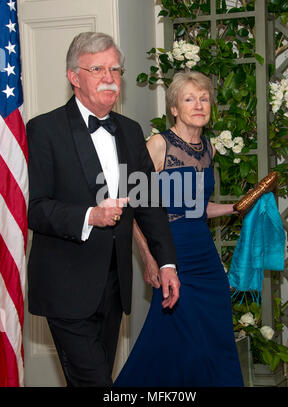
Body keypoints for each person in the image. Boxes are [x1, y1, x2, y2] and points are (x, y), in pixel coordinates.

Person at [26, 31, 180, 387]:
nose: (110, 78)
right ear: (73, 77)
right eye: (97, 69)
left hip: (113, 288)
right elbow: (35, 209)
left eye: (115, 69)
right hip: (65, 288)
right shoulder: (43, 130)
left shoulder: (129, 130)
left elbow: (148, 202)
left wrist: (167, 262)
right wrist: (89, 216)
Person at [114, 71, 244, 387]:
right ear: (174, 107)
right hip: (173, 256)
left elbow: (195, 209)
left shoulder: (209, 148)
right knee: (173, 343)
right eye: (189, 98)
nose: (199, 105)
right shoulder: (158, 145)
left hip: (206, 259)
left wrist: (235, 208)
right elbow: (131, 205)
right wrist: (148, 257)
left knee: (215, 339)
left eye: (203, 98)